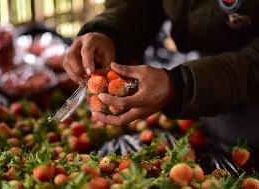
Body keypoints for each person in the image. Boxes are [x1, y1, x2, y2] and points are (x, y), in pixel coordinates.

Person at [63, 0, 259, 147]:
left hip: (246, 79)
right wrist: (107, 31)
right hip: (212, 65)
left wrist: (180, 85)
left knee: (235, 129)